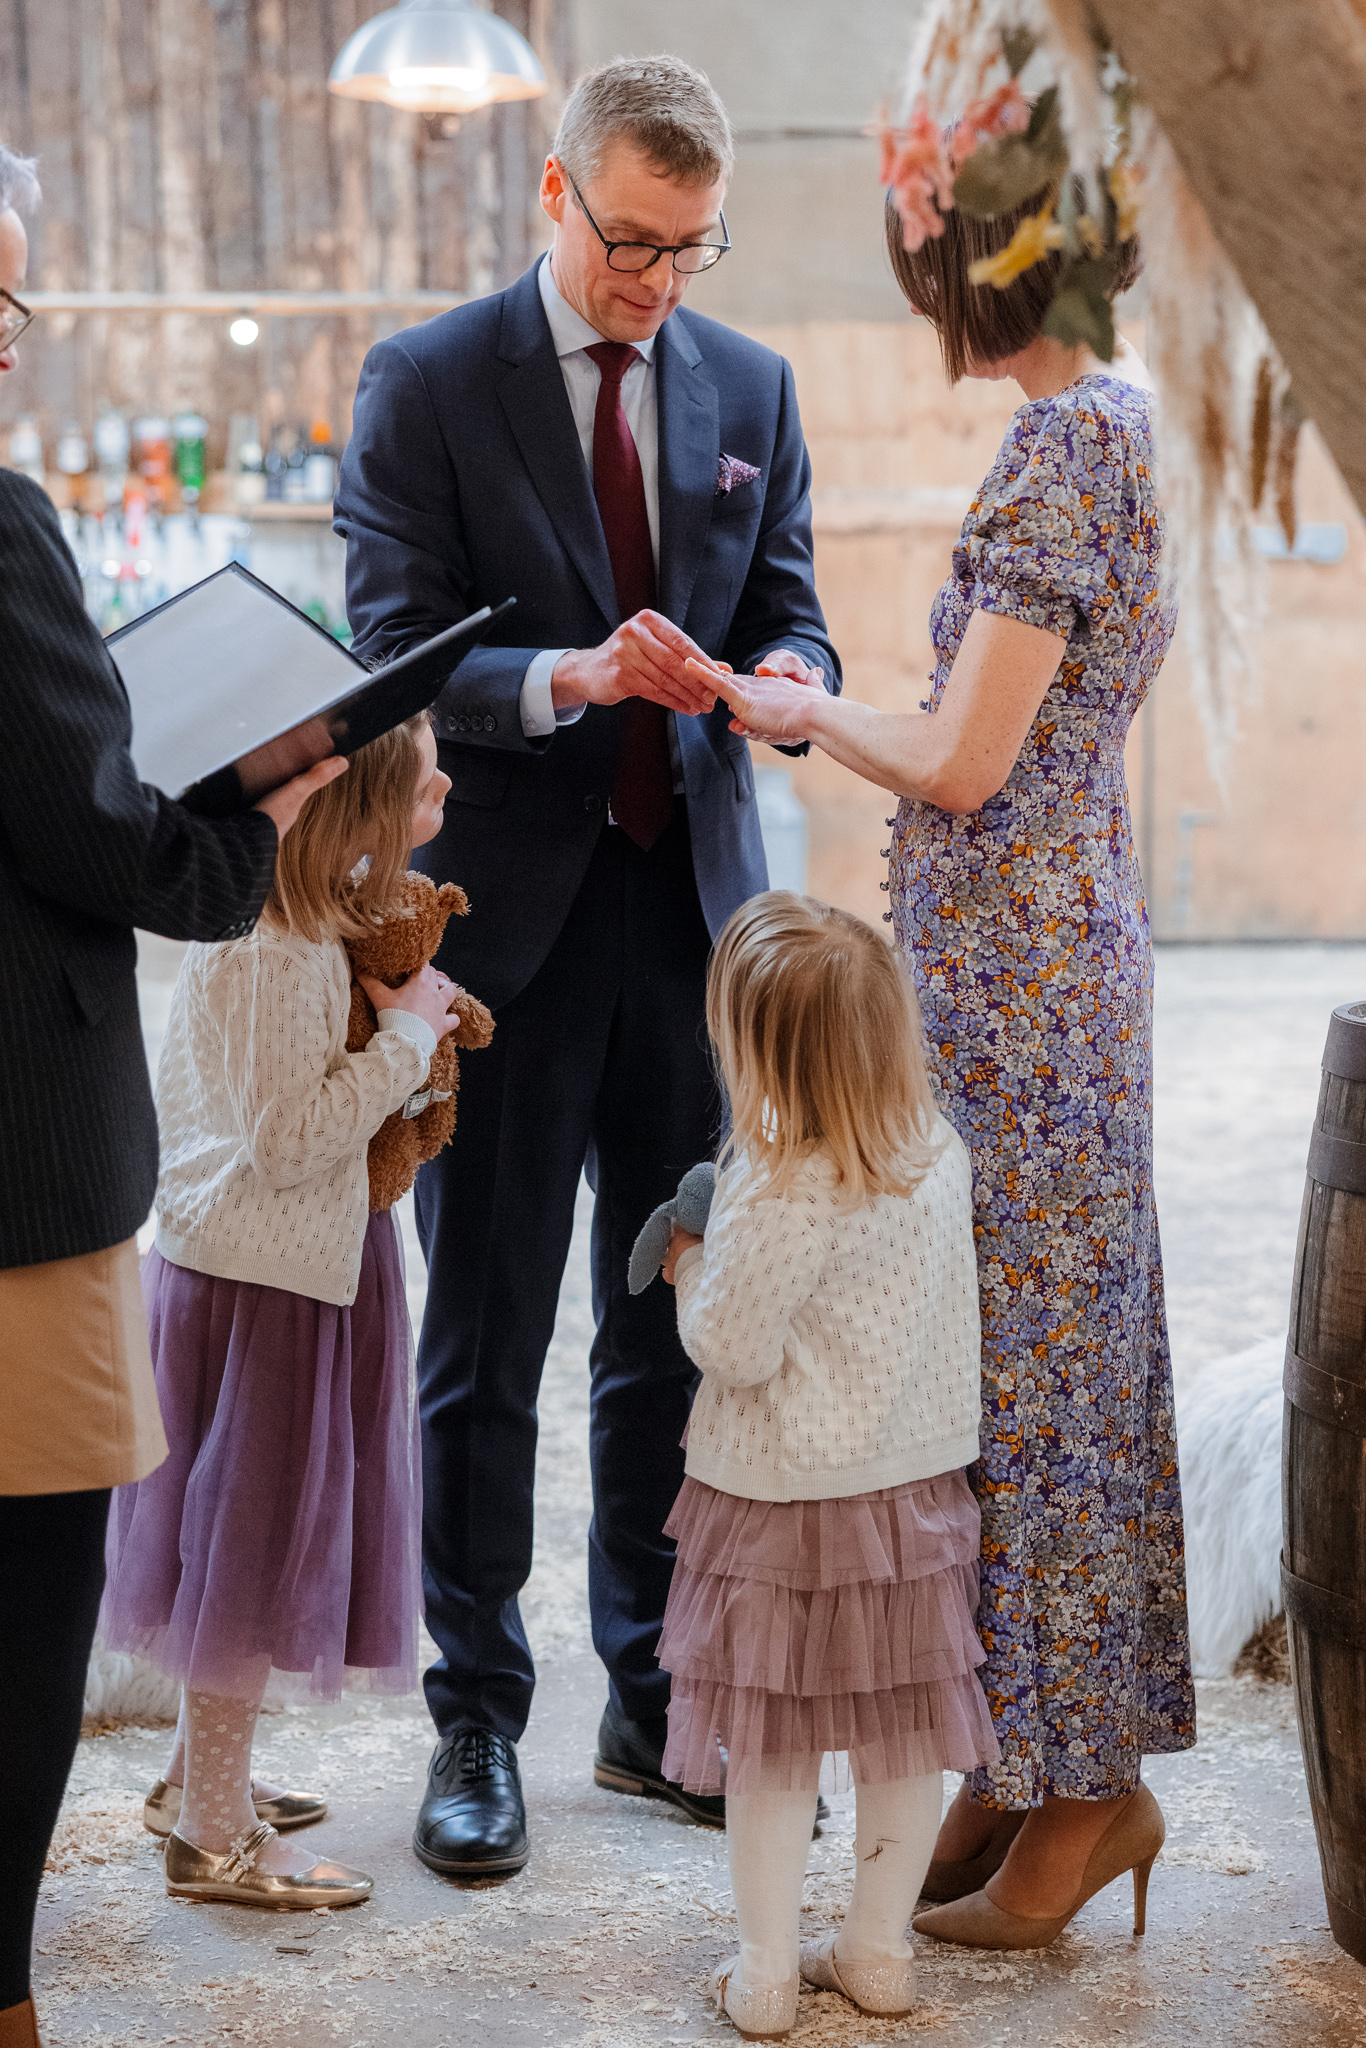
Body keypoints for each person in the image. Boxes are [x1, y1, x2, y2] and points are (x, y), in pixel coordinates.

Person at [334, 53, 840, 1880]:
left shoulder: (752, 385)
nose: (656, 282)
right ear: (557, 197)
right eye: (631, 241)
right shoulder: (428, 380)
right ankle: (476, 1713)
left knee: (667, 1324)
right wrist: (568, 677)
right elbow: (388, 654)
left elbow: (792, 599)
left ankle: (649, 1694)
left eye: (690, 251)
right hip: (501, 923)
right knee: (483, 1330)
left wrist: (783, 685)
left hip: (692, 920)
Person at [705, 184, 1195, 1952]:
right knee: (1002, 1367)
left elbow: (969, 756)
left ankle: (1087, 1797)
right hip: (1043, 956)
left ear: (980, 270)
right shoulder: (1119, 422)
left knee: (1043, 1379)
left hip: (1025, 985)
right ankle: (1021, 1755)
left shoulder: (1063, 448)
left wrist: (801, 707)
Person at [0, 150, 345, 2047]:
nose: (4, 349)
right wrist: (253, 824)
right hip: (15, 1165)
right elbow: (91, 826)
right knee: (32, 1574)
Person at [100, 717, 457, 1908]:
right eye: (419, 782)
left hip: (291, 1270)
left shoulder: (310, 931)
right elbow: (293, 1138)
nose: (444, 788)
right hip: (265, 1285)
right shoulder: (271, 947)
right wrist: (409, 1040)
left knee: (235, 1549)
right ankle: (210, 1833)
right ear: (352, 820)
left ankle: (198, 1777)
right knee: (246, 1557)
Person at [653, 893, 997, 2039]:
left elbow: (731, 1343)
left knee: (774, 1739)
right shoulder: (932, 1149)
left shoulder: (781, 1175)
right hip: (909, 1498)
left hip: (780, 1500)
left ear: (763, 1052)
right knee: (903, 1733)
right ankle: (879, 1948)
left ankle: (761, 1970)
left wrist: (691, 1260)